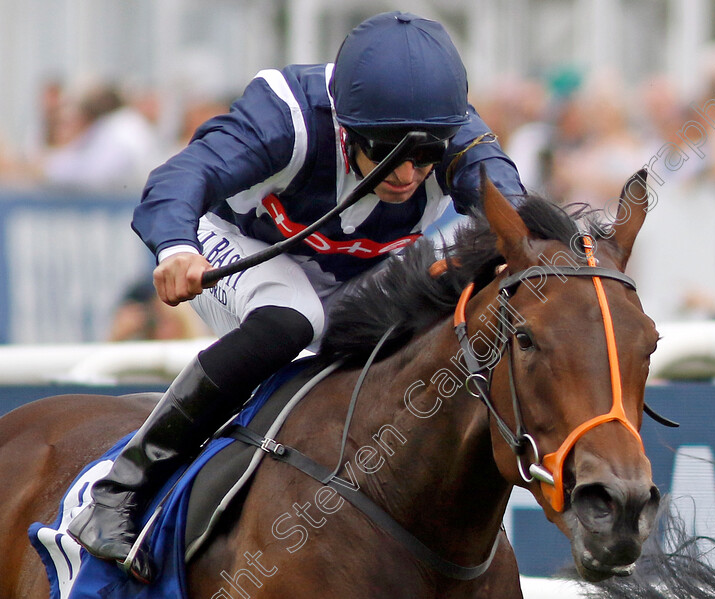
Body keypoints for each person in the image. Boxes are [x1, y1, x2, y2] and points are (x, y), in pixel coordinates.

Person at [66, 11, 524, 583]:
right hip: (234, 242)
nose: (408, 173)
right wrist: (177, 248)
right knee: (294, 318)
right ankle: (124, 487)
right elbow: (180, 177)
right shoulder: (286, 116)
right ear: (346, 126)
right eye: (386, 149)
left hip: (355, 269)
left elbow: (519, 220)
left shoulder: (454, 130)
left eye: (426, 152)